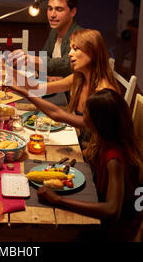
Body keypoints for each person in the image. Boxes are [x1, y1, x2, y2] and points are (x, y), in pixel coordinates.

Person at [37, 89, 143, 241]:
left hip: (112, 232)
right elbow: (86, 155)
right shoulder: (106, 139)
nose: (82, 116)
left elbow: (112, 210)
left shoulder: (114, 158)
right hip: (99, 205)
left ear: (96, 122)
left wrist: (57, 200)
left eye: (85, 113)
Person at [8, 29, 120, 144]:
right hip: (81, 142)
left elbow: (57, 114)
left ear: (92, 52)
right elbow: (37, 88)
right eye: (71, 48)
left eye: (76, 49)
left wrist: (23, 92)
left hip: (92, 155)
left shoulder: (102, 92)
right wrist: (8, 70)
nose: (70, 53)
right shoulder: (79, 79)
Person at [8, 0, 82, 79]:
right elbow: (44, 56)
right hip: (54, 89)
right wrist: (47, 76)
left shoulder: (80, 36)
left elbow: (68, 64)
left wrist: (29, 59)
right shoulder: (54, 31)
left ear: (73, 12)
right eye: (50, 9)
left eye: (59, 9)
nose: (52, 15)